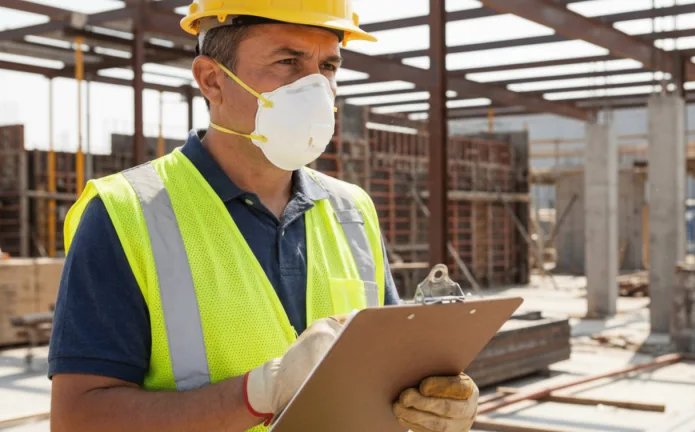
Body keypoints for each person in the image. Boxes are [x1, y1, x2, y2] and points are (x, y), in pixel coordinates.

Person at [48, 1, 480, 431]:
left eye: (328, 66)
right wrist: (260, 392)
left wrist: (431, 401)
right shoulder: (126, 213)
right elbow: (78, 420)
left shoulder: (353, 209)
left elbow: (387, 368)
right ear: (212, 80)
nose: (316, 87)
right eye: (288, 61)